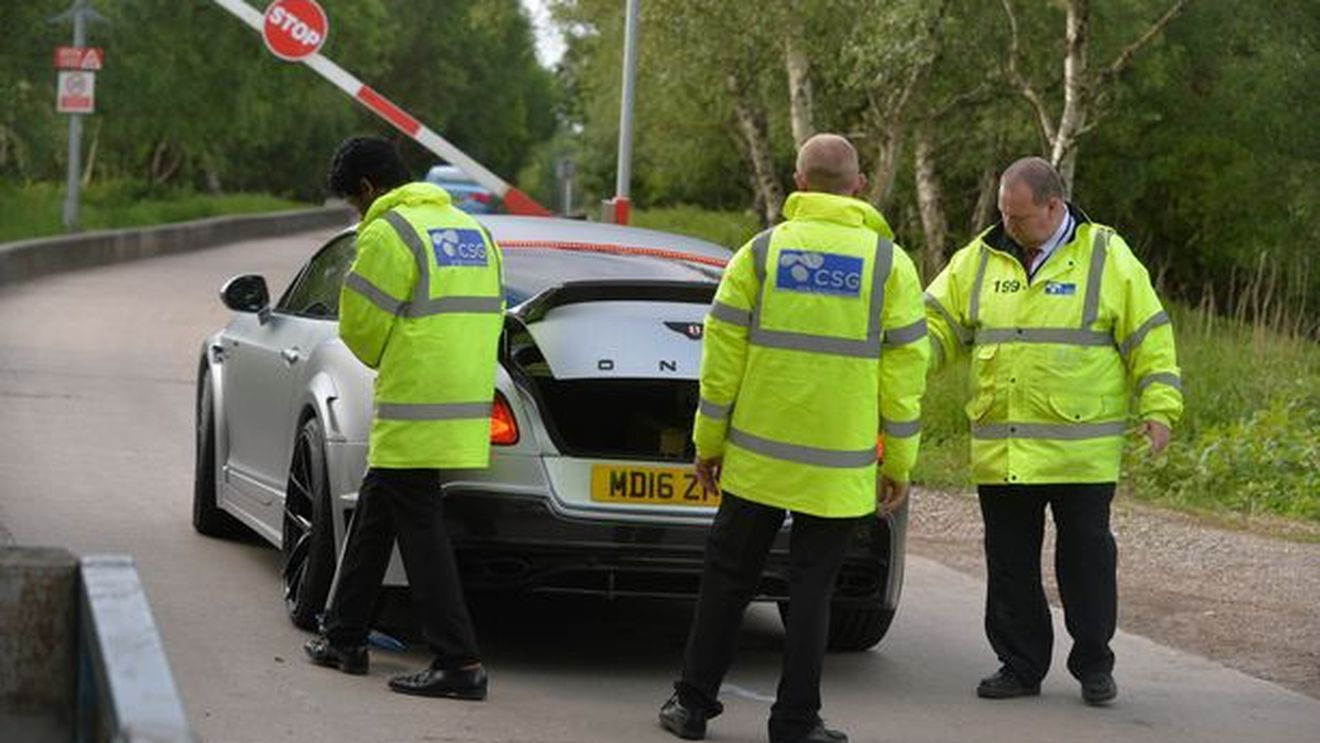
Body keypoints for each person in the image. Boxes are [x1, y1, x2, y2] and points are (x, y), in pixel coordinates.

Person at [658, 134, 929, 743]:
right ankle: (795, 721)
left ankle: (692, 705)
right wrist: (899, 460)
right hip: (839, 463)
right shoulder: (890, 265)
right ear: (860, 187)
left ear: (799, 182)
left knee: (728, 578)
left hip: (757, 456)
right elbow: (906, 373)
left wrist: (708, 442)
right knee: (812, 590)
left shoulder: (759, 254)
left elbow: (720, 358)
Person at [924, 156, 1182, 706]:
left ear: (1053, 207)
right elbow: (936, 325)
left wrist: (1160, 407)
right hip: (1004, 448)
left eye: (1018, 217)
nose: (1008, 225)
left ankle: (1094, 665)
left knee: (1086, 561)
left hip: (1079, 453)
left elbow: (1149, 337)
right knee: (1010, 565)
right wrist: (901, 366)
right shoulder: (979, 257)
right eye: (1003, 214)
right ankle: (1020, 666)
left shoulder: (1106, 256)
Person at [302, 136, 505, 701]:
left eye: (354, 201)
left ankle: (458, 661)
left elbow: (363, 331)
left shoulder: (389, 232)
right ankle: (344, 635)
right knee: (378, 509)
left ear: (368, 188)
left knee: (419, 526)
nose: (356, 212)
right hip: (466, 398)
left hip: (416, 399)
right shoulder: (472, 231)